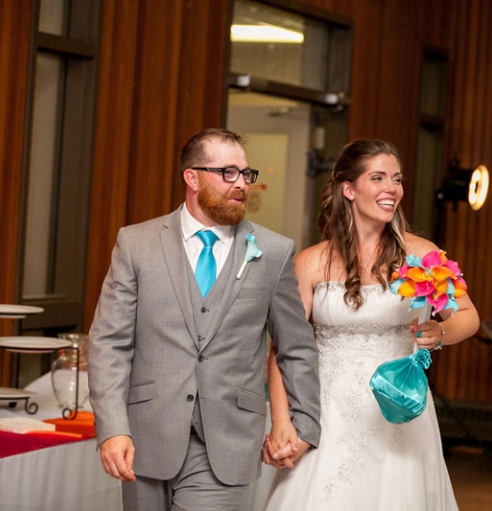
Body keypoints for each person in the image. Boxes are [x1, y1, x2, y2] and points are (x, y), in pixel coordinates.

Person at [87, 128, 320, 510]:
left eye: (246, 174)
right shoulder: (136, 243)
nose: (241, 184)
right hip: (146, 437)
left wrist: (304, 424)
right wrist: (112, 429)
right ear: (191, 177)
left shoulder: (274, 252)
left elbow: (296, 347)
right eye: (228, 173)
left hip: (226, 442)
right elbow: (109, 342)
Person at [262, 138, 480, 510]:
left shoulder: (423, 254)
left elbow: (468, 316)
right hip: (327, 412)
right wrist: (282, 420)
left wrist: (441, 331)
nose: (391, 189)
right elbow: (283, 349)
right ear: (349, 189)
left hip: (398, 409)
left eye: (396, 179)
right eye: (378, 178)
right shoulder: (311, 262)